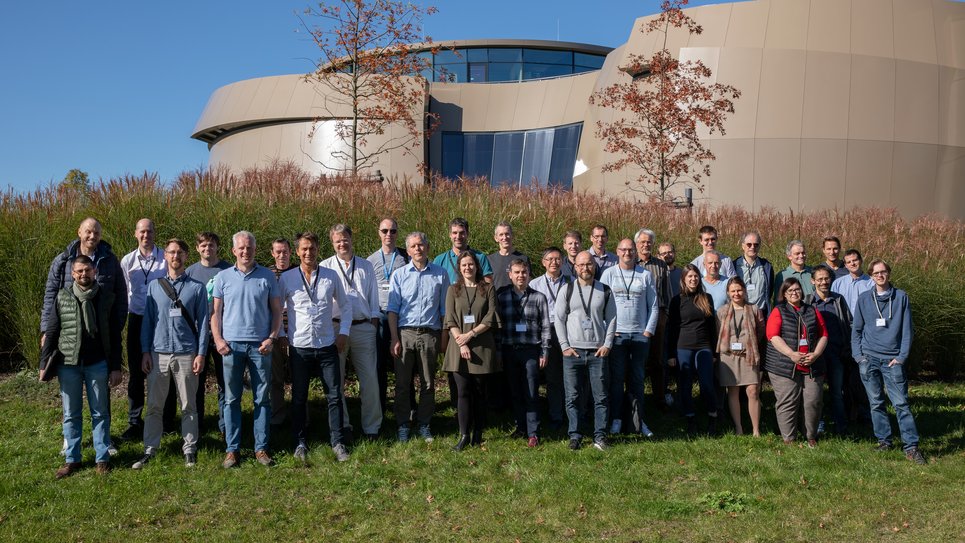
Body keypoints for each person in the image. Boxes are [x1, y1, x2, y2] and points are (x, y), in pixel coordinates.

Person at [41, 217, 126, 458]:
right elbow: (51, 295)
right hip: (68, 343)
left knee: (101, 402)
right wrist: (47, 332)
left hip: (99, 345)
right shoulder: (63, 260)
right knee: (70, 405)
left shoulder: (110, 260)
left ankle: (104, 443)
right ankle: (71, 446)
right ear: (79, 232)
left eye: (96, 232)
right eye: (88, 231)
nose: (92, 236)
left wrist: (113, 329)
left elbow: (120, 297)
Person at [134, 239, 209, 469]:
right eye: (171, 252)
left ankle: (189, 448)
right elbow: (147, 322)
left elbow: (204, 323)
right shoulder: (154, 287)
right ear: (165, 256)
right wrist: (145, 351)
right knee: (155, 405)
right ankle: (150, 448)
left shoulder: (197, 288)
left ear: (186, 257)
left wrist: (201, 353)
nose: (176, 256)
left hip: (187, 352)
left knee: (189, 405)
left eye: (180, 253)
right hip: (159, 353)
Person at [211, 231, 283, 468]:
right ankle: (232, 449)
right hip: (231, 347)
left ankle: (261, 448)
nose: (245, 252)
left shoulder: (267, 277)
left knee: (262, 398)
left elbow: (276, 312)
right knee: (231, 399)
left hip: (260, 346)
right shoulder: (222, 278)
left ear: (255, 250)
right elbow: (215, 314)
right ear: (234, 251)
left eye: (249, 248)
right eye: (241, 248)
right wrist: (219, 339)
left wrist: (272, 338)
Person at [280, 232, 352, 463]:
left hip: (326, 345)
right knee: (299, 397)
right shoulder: (288, 278)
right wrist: (281, 335)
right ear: (298, 251)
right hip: (299, 347)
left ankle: (337, 442)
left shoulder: (331, 276)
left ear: (318, 249)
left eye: (312, 248)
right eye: (304, 249)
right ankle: (300, 442)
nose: (308, 253)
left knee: (334, 395)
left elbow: (346, 306)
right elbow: (276, 311)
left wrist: (343, 333)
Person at [852, 260, 925, 464]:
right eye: (876, 273)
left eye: (883, 272)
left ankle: (911, 446)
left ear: (889, 274)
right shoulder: (864, 299)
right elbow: (856, 330)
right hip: (869, 359)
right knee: (876, 403)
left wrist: (901, 358)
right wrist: (859, 356)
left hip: (892, 360)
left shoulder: (901, 297)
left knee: (901, 404)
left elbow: (907, 331)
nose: (880, 276)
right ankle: (884, 441)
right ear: (871, 276)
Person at [320, 224, 382, 440]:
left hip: (363, 327)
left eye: (345, 239)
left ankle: (372, 427)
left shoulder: (366, 266)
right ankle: (343, 425)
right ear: (332, 243)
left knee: (370, 380)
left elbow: (374, 299)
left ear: (351, 239)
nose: (342, 243)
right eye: (338, 241)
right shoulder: (325, 267)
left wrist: (373, 325)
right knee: (336, 380)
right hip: (335, 329)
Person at [388, 232, 450, 443]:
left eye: (421, 245)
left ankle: (424, 424)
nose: (418, 249)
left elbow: (444, 311)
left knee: (428, 383)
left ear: (427, 247)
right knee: (403, 383)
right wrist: (394, 338)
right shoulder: (399, 275)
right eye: (414, 246)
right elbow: (393, 310)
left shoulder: (441, 274)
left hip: (430, 334)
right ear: (408, 251)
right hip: (405, 334)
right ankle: (403, 424)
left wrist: (444, 337)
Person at [555, 251, 617, 451]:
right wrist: (564, 346)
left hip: (597, 353)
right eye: (581, 265)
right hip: (573, 353)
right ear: (575, 267)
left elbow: (612, 319)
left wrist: (607, 344)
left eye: (589, 264)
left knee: (600, 397)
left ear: (594, 266)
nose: (585, 268)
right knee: (572, 396)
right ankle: (575, 435)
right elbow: (559, 319)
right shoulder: (567, 289)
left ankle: (600, 436)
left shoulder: (605, 290)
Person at [120, 218, 173, 441]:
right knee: (136, 372)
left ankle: (168, 420)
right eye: (142, 231)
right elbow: (124, 292)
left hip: (163, 319)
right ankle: (135, 421)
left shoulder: (165, 258)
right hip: (137, 318)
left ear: (154, 233)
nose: (146, 235)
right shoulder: (127, 261)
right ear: (135, 234)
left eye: (149, 231)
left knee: (165, 368)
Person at [600, 239, 658, 437]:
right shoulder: (608, 274)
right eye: (623, 249)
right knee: (616, 380)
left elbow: (654, 305)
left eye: (630, 250)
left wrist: (648, 331)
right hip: (617, 335)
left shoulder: (645, 275)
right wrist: (609, 330)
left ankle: (638, 421)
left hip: (640, 335)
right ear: (617, 251)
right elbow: (602, 306)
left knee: (638, 379)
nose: (627, 253)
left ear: (636, 252)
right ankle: (616, 420)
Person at [444, 252, 500, 450]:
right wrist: (462, 341)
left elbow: (491, 316)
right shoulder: (453, 290)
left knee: (480, 392)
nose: (468, 268)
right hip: (458, 348)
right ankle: (464, 434)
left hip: (481, 345)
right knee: (463, 392)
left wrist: (470, 335)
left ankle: (479, 432)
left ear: (477, 266)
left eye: (471, 264)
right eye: (464, 265)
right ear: (459, 268)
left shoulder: (488, 288)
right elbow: (450, 319)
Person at [764, 278, 829, 446]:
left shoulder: (812, 310)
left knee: (813, 400)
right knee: (788, 401)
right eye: (790, 290)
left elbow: (824, 334)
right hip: (784, 365)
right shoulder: (779, 311)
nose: (794, 293)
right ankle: (789, 438)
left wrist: (816, 354)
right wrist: (791, 354)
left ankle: (810, 436)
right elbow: (772, 336)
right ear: (784, 294)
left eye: (797, 289)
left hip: (812, 363)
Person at [496, 259, 552, 447]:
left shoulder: (539, 297)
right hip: (509, 350)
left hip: (530, 351)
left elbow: (545, 327)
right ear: (510, 274)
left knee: (531, 392)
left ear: (529, 275)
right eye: (517, 272)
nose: (521, 276)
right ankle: (520, 427)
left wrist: (544, 352)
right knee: (515, 391)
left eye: (524, 272)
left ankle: (533, 432)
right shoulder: (501, 297)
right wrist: (498, 352)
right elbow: (498, 327)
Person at [184, 232, 231, 438]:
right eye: (203, 245)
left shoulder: (228, 269)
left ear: (217, 247)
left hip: (223, 334)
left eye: (211, 245)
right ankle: (199, 425)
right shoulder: (190, 272)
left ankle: (225, 425)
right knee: (197, 384)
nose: (207, 249)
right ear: (197, 248)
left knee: (225, 382)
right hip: (198, 336)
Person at [668, 264, 719, 435]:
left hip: (704, 346)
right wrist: (670, 354)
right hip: (683, 346)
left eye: (696, 276)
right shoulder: (677, 300)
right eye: (689, 276)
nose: (693, 279)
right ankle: (690, 419)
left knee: (706, 384)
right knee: (685, 385)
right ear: (683, 279)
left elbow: (712, 327)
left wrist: (714, 351)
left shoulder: (707, 298)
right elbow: (672, 328)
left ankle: (713, 416)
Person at [367, 218, 409, 415]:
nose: (388, 235)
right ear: (379, 233)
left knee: (404, 365)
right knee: (379, 365)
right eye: (385, 231)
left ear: (397, 233)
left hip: (402, 318)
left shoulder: (405, 256)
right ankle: (381, 408)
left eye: (392, 231)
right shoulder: (370, 260)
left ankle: (409, 406)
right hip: (380, 317)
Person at [715, 277, 765, 436]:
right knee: (733, 392)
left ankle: (756, 429)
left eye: (739, 290)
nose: (736, 293)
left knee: (752, 391)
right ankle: (739, 428)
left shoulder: (754, 309)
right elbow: (718, 333)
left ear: (744, 291)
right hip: (728, 357)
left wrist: (750, 345)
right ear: (728, 293)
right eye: (733, 291)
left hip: (749, 356)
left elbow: (761, 331)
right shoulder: (722, 311)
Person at [529, 247, 569, 430]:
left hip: (569, 333)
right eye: (550, 259)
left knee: (571, 377)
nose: (554, 262)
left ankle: (575, 414)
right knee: (552, 377)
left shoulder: (572, 282)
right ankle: (556, 415)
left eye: (558, 259)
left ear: (563, 261)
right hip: (546, 332)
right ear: (543, 262)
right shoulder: (535, 284)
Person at [634, 228, 672, 413]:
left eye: (649, 242)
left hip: (658, 318)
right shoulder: (631, 263)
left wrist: (665, 317)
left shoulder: (661, 265)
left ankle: (659, 398)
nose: (645, 245)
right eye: (642, 242)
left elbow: (667, 294)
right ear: (636, 244)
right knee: (636, 360)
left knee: (657, 360)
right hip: (635, 318)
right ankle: (635, 399)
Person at [267, 238, 292, 428]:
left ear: (291, 252)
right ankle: (277, 416)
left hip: (297, 333)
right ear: (272, 253)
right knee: (275, 378)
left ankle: (302, 417)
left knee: (300, 378)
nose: (282, 255)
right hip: (274, 333)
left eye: (285, 251)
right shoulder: (266, 275)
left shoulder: (300, 272)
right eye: (278, 252)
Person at [432, 217, 493, 283]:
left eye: (462, 233)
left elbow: (488, 286)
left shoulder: (480, 258)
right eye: (455, 233)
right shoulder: (439, 261)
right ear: (450, 235)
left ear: (467, 234)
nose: (458, 237)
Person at [733, 230, 774, 314]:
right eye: (749, 244)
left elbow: (769, 291)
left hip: (760, 313)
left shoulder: (766, 266)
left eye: (756, 245)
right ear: (743, 246)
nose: (752, 247)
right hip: (740, 312)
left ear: (759, 246)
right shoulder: (734, 266)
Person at [487, 221, 530, 291]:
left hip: (519, 300)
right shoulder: (489, 260)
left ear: (512, 235)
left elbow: (528, 282)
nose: (505, 237)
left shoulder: (523, 258)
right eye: (501, 234)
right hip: (497, 300)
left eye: (507, 234)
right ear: (496, 238)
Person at [831, 249, 873, 313]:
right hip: (844, 322)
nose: (852, 263)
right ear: (845, 265)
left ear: (861, 261)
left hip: (866, 322)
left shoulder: (872, 282)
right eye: (849, 262)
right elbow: (833, 306)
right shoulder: (837, 284)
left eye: (855, 260)